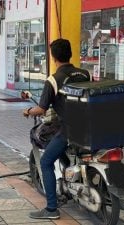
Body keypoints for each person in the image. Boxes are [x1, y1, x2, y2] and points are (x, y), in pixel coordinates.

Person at [23, 38, 90, 219]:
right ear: (70, 54)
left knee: (45, 162)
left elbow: (42, 109)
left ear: (53, 58)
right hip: (91, 127)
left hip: (70, 130)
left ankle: (51, 209)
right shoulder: (85, 74)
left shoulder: (53, 80)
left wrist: (28, 111)